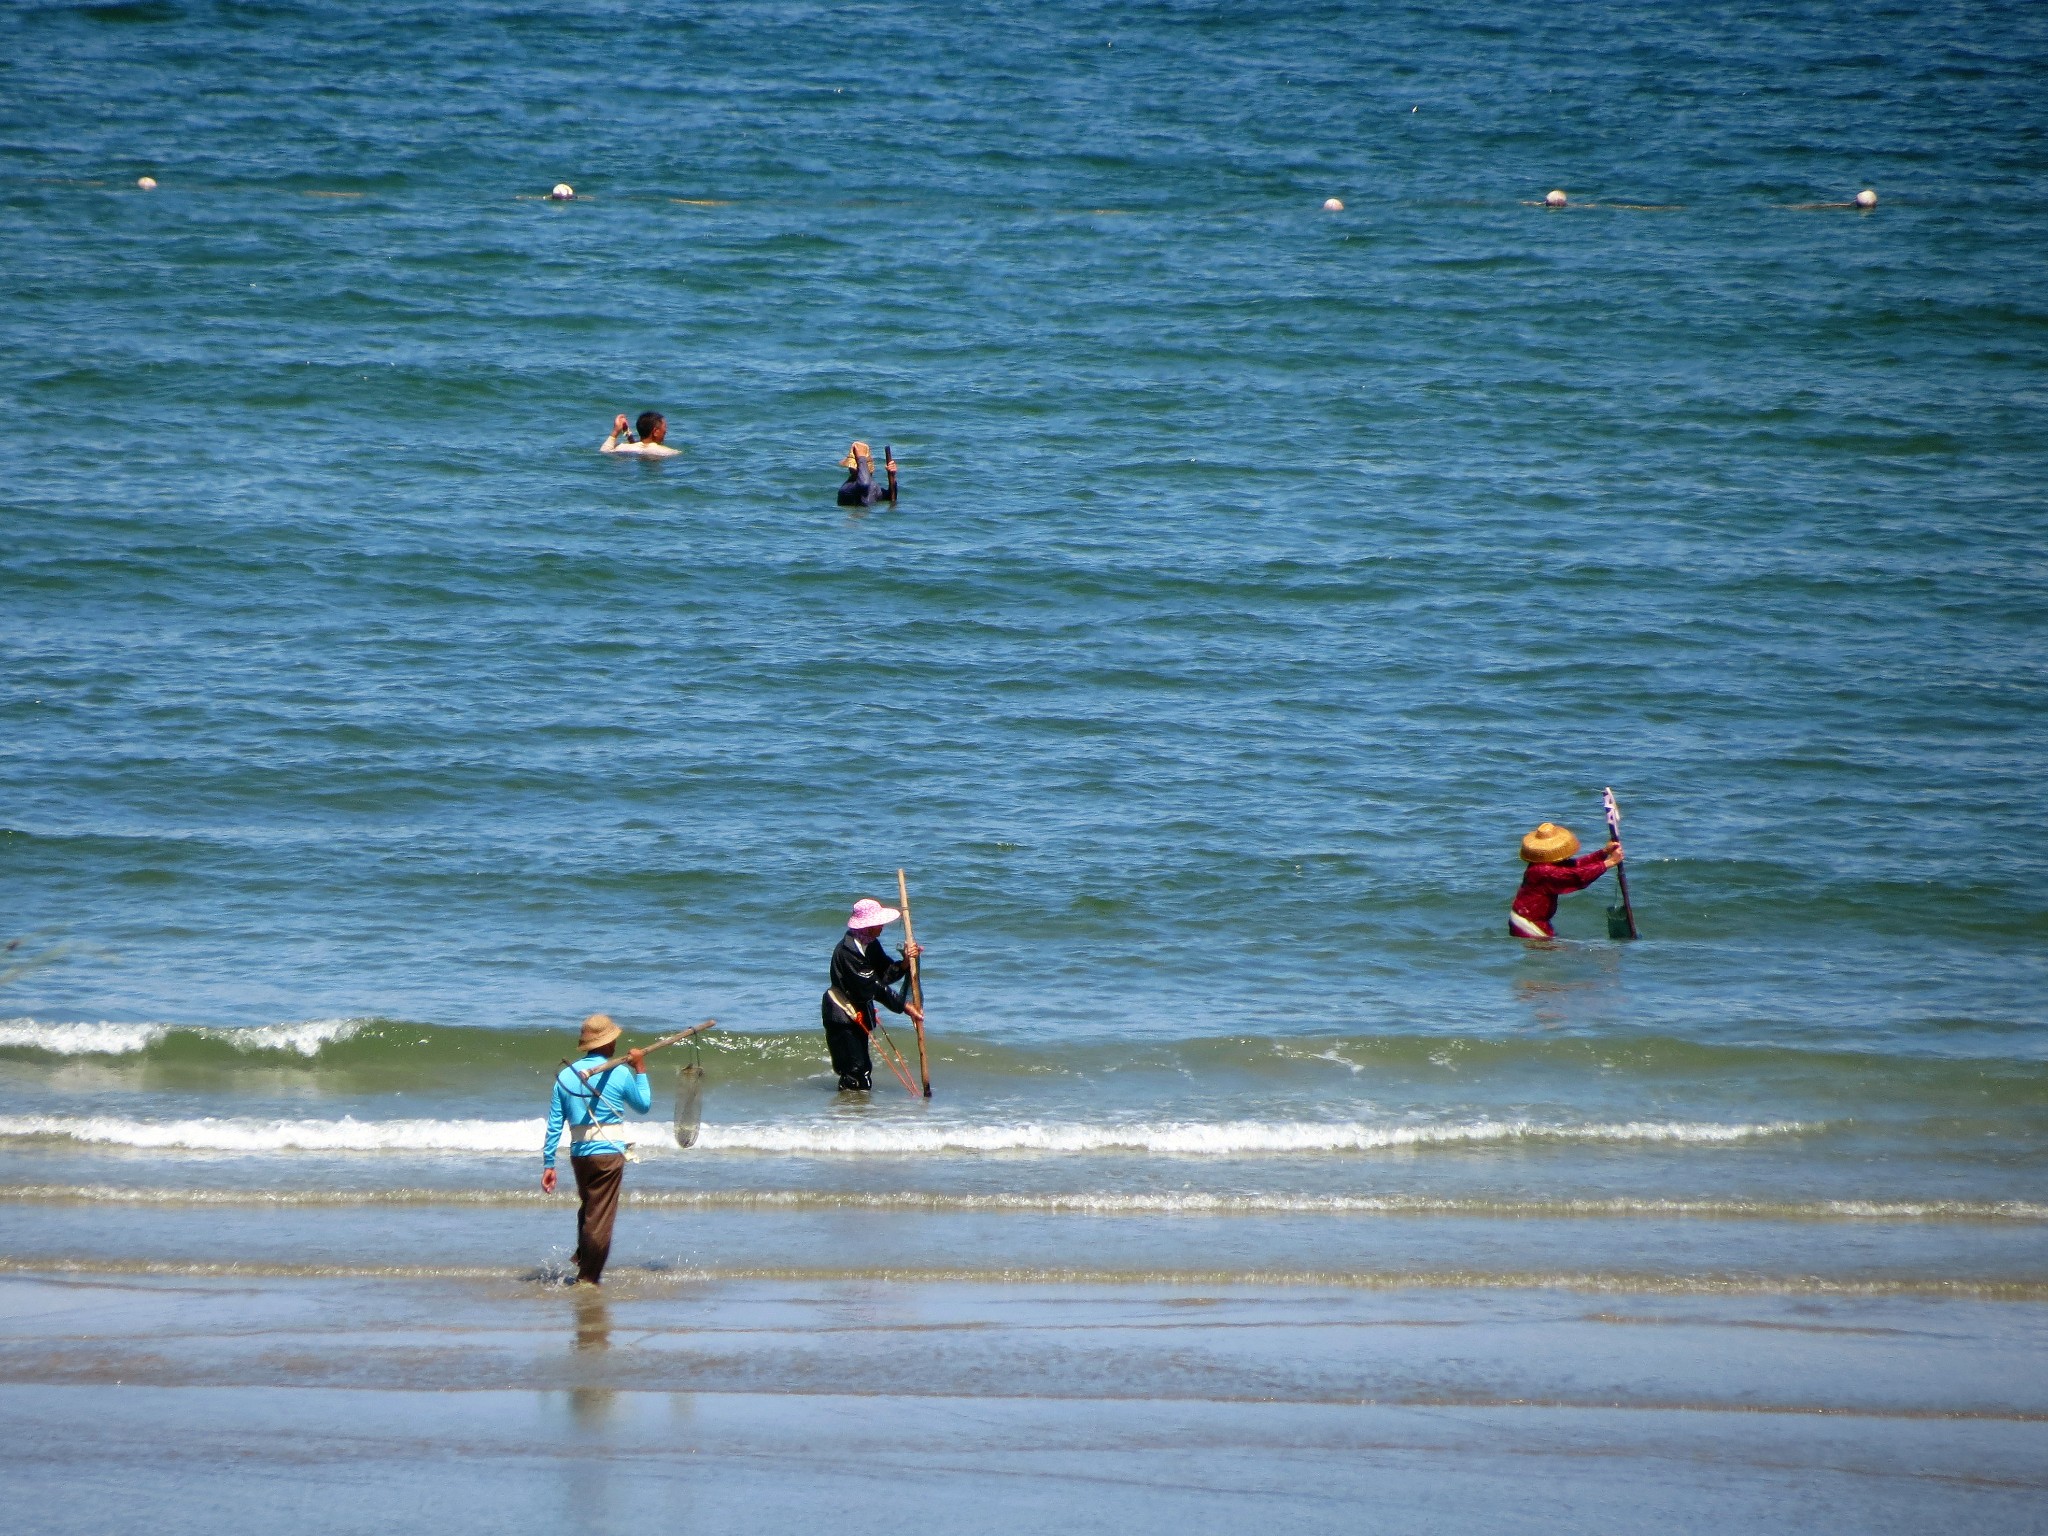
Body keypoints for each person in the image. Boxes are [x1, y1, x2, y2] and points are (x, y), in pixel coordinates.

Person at [541, 1012, 652, 1284]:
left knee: (590, 1209)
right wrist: (640, 1069)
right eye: (612, 1039)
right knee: (600, 1217)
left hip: (579, 1154)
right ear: (606, 1044)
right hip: (608, 1154)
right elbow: (643, 1105)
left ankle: (583, 1259)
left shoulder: (566, 1075)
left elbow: (555, 1123)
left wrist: (549, 1163)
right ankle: (588, 1278)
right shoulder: (621, 1072)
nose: (615, 1044)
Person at [820, 896, 923, 1090]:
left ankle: (857, 1114)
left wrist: (904, 964)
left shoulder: (871, 945)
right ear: (867, 927)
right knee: (855, 1072)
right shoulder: (847, 952)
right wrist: (904, 1006)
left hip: (858, 1010)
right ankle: (849, 1116)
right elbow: (872, 987)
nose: (882, 926)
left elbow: (884, 975)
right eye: (878, 923)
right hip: (841, 1015)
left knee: (862, 1069)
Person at [1510, 823, 1623, 939]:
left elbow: (1577, 865)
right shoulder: (1542, 870)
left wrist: (1604, 852)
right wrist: (1610, 863)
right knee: (1554, 950)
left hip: (1533, 919)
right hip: (1526, 922)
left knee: (1554, 949)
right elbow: (1577, 876)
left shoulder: (1546, 863)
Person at [835, 441, 897, 506]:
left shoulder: (873, 486)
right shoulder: (846, 489)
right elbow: (863, 484)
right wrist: (861, 458)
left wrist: (892, 476)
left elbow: (891, 499)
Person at [601, 412, 680, 458]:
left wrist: (615, 431)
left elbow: (604, 452)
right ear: (655, 432)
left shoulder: (622, 447)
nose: (666, 431)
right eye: (665, 427)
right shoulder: (668, 452)